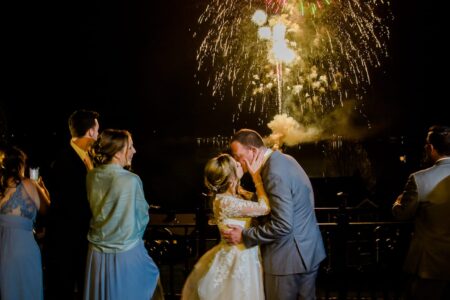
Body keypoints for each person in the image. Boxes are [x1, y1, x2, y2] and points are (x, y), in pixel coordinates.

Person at [223, 128, 326, 300]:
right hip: (307, 251)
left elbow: (283, 225)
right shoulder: (285, 159)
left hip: (285, 261)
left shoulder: (273, 172)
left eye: (238, 155)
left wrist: (244, 235)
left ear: (253, 151)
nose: (237, 161)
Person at [83, 129, 159, 300]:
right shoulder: (131, 180)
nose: (134, 151)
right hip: (125, 253)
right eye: (130, 147)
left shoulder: (91, 176)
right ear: (118, 153)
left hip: (96, 252)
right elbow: (141, 218)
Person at [181, 153, 270, 300]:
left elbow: (253, 198)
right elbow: (265, 207)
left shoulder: (231, 197)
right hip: (238, 258)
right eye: (236, 165)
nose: (240, 165)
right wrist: (256, 178)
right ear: (231, 178)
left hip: (242, 253)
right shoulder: (227, 202)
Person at [44, 109, 100, 299]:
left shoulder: (88, 158)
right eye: (97, 129)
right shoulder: (63, 161)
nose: (98, 134)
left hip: (84, 241)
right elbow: (68, 203)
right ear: (91, 131)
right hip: (65, 243)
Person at [392, 125, 450, 300]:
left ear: (430, 147)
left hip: (429, 263)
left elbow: (402, 213)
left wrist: (397, 201)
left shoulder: (420, 179)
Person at [0, 145, 50, 300]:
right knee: (28, 291)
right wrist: (42, 189)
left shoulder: (1, 189)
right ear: (21, 165)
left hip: (4, 251)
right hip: (25, 251)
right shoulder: (29, 184)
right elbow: (47, 210)